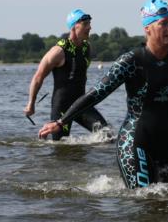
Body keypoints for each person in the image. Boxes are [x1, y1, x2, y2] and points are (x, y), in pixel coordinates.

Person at [39, 0, 168, 188]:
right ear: (147, 28)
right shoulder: (131, 61)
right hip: (134, 141)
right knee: (144, 197)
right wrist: (61, 122)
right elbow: (96, 93)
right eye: (164, 23)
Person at [25, 9, 109, 140]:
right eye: (85, 24)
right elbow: (38, 77)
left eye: (89, 24)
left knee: (107, 135)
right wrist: (31, 104)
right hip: (61, 107)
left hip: (81, 104)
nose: (89, 27)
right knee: (59, 146)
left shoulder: (86, 48)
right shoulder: (58, 52)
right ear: (75, 26)